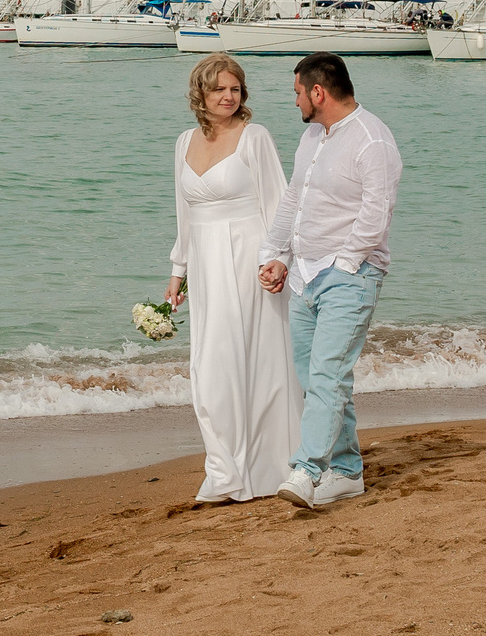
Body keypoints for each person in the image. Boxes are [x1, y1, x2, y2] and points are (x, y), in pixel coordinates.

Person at [258, 52, 402, 509]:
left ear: (318, 92)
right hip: (303, 275)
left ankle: (306, 469)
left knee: (327, 374)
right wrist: (278, 255)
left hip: (350, 276)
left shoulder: (372, 141)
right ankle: (346, 470)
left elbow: (376, 215)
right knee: (316, 377)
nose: (295, 101)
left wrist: (343, 267)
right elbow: (294, 200)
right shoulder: (312, 138)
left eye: (297, 92)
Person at [165, 54, 299, 502]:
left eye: (235, 89)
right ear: (200, 93)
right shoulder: (184, 141)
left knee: (257, 359)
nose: (228, 97)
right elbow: (185, 214)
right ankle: (223, 469)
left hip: (250, 259)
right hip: (205, 263)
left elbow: (280, 203)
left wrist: (278, 259)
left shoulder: (254, 136)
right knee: (211, 363)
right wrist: (178, 270)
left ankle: (269, 465)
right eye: (219, 89)